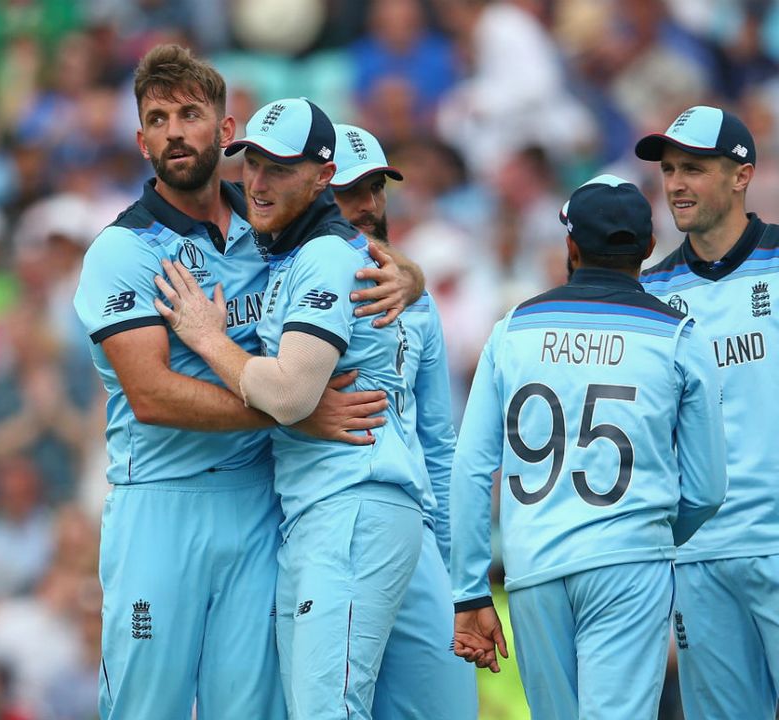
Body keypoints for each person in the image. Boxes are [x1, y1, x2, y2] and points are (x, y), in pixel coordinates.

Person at [72, 46, 422, 720]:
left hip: (259, 507)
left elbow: (356, 245)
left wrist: (412, 275)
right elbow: (152, 394)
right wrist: (293, 413)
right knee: (148, 708)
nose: (176, 130)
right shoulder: (124, 250)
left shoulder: (271, 223)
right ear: (140, 139)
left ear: (225, 131)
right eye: (158, 118)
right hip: (160, 505)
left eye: (191, 113)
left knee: (253, 709)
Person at [449, 175, 728, 719]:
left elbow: (471, 468)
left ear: (570, 246)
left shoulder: (513, 329)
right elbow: (707, 489)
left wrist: (470, 592)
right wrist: (650, 536)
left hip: (533, 564)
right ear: (649, 248)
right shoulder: (678, 335)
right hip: (629, 558)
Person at [329, 123, 478, 720]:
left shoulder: (416, 301)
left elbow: (439, 445)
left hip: (412, 531)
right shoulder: (280, 285)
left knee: (447, 706)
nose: (368, 205)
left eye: (377, 188)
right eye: (350, 191)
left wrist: (452, 570)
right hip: (325, 525)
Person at [635, 105, 779, 719]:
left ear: (741, 175)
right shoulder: (650, 294)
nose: (675, 185)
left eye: (693, 168)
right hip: (697, 556)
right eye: (668, 170)